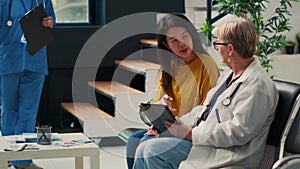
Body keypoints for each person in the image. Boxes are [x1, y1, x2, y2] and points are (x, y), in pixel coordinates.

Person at [132, 17, 279, 169]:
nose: (216, 48)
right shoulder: (230, 74)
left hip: (227, 155)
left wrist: (190, 134)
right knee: (144, 146)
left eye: (218, 44)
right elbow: (204, 110)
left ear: (230, 49)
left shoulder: (256, 86)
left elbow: (238, 132)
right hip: (208, 145)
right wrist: (176, 125)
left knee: (151, 150)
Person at [126, 13, 219, 169]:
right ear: (166, 46)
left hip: (190, 129)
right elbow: (157, 100)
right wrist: (157, 117)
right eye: (174, 40)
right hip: (169, 127)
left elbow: (207, 110)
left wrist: (176, 127)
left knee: (144, 143)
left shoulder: (206, 64)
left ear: (192, 35)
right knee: (132, 141)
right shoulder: (170, 66)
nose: (182, 43)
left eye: (184, 36)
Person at [0, 0, 55, 169]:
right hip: (9, 59)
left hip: (35, 60)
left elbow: (50, 19)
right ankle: (8, 154)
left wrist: (49, 23)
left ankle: (24, 161)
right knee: (9, 110)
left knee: (29, 112)